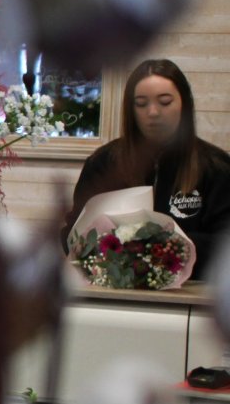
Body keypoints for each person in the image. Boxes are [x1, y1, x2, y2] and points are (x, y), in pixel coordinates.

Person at [67, 58, 230, 279]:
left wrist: (164, 246)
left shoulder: (215, 166)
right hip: (111, 293)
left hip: (192, 293)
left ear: (184, 104)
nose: (153, 112)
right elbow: (72, 233)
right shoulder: (104, 163)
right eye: (141, 104)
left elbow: (224, 243)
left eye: (165, 102)